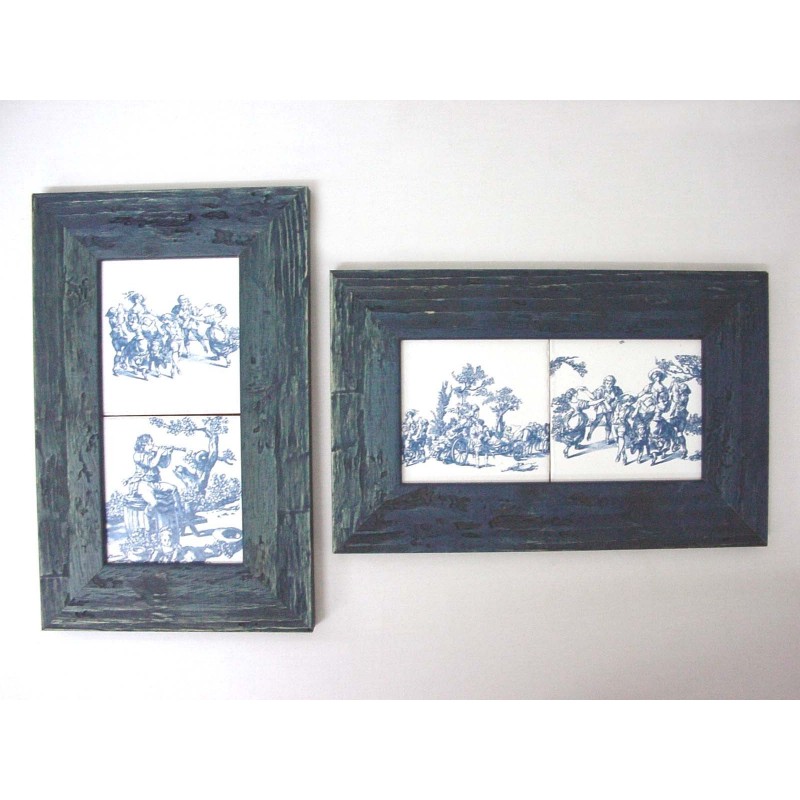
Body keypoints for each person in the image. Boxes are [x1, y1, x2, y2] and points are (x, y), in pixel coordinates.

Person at [586, 375, 624, 443]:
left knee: (609, 423)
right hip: (602, 406)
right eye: (607, 383)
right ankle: (590, 433)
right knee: (597, 421)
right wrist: (586, 391)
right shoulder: (600, 389)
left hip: (611, 407)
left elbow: (621, 397)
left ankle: (607, 438)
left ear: (613, 383)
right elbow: (593, 397)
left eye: (611, 383)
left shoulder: (616, 389)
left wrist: (617, 400)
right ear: (604, 383)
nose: (609, 385)